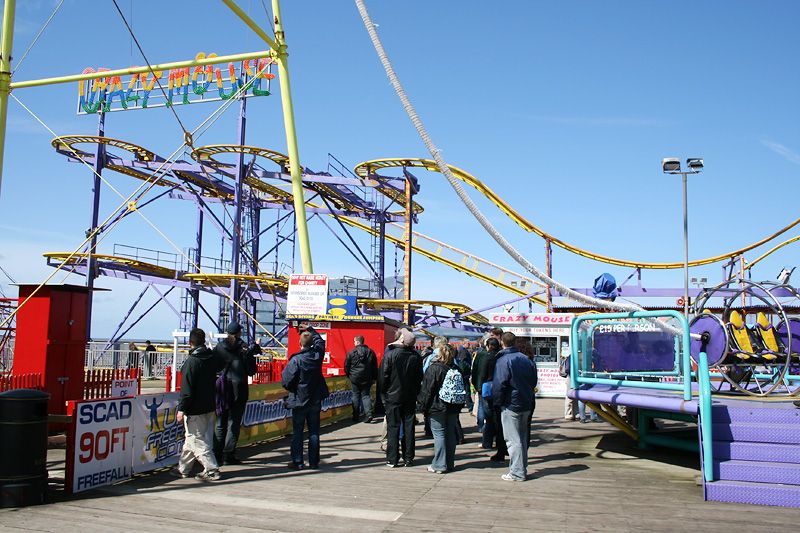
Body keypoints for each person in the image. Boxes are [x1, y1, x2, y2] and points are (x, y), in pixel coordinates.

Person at [175, 328, 224, 481]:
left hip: (195, 408)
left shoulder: (191, 362)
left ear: (190, 342)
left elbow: (187, 389)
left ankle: (212, 469)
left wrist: (182, 409)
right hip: (209, 405)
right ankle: (183, 468)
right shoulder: (211, 358)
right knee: (192, 438)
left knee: (196, 439)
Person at [282, 324, 329, 470]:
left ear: (300, 343)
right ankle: (314, 462)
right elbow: (321, 342)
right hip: (315, 398)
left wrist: (293, 388)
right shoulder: (317, 355)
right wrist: (311, 329)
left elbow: (286, 381)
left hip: (299, 399)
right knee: (314, 432)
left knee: (298, 432)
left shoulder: (296, 360)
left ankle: (298, 461)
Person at [492, 332, 537, 482]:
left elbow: (500, 384)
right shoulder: (526, 359)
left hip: (511, 403)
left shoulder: (503, 360)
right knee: (522, 438)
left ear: (502, 343)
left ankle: (517, 472)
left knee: (513, 439)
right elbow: (533, 380)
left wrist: (497, 402)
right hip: (526, 401)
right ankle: (521, 468)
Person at [213, 321, 257, 465]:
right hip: (239, 390)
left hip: (222, 390)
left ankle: (216, 455)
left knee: (220, 423)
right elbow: (251, 370)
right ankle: (229, 455)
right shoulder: (244, 348)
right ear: (239, 333)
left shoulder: (219, 347)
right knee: (234, 423)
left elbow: (214, 367)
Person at [380, 328, 423, 468]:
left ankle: (392, 458)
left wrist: (384, 394)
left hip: (392, 396)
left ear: (402, 339)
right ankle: (408, 458)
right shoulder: (416, 356)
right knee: (409, 427)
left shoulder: (390, 355)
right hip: (410, 396)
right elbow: (419, 378)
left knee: (393, 427)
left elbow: (383, 377)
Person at [417, 343, 463, 474]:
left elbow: (427, 390)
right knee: (450, 434)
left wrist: (422, 406)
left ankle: (439, 464)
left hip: (436, 407)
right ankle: (449, 462)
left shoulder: (434, 368)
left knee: (439, 435)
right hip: (453, 406)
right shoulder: (456, 369)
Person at [344, 335, 378, 423]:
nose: (354, 343)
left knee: (355, 395)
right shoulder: (371, 352)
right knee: (366, 395)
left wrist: (349, 375)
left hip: (354, 377)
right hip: (367, 377)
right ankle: (369, 414)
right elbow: (374, 367)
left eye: (354, 341)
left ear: (357, 342)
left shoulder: (351, 352)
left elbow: (347, 365)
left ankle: (355, 415)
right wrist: (374, 378)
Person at [477, 337, 500, 449]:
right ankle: (498, 440)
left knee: (488, 416)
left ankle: (487, 442)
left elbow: (482, 373)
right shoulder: (500, 356)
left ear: (489, 346)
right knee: (497, 415)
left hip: (487, 387)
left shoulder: (487, 357)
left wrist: (479, 387)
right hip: (499, 387)